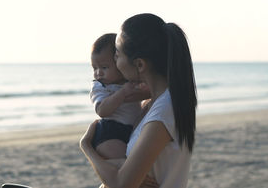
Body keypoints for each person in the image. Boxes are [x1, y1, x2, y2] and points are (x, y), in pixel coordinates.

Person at [80, 13, 198, 188]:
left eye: (117, 55)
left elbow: (121, 184)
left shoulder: (163, 112)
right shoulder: (155, 104)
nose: (115, 62)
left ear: (140, 65)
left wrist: (87, 147)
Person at [90, 33, 149, 159]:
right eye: (94, 68)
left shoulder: (130, 81)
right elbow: (101, 110)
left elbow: (150, 92)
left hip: (131, 130)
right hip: (110, 132)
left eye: (104, 67)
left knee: (134, 163)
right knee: (124, 164)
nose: (98, 73)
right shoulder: (100, 87)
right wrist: (122, 93)